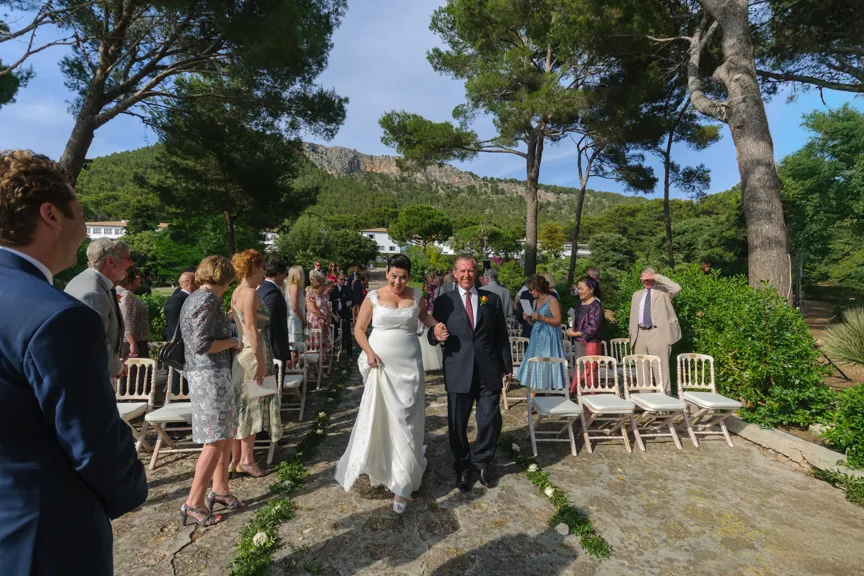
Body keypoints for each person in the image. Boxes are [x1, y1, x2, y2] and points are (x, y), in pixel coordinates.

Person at [0, 150, 147, 575]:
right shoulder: (57, 316)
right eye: (80, 212)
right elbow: (94, 443)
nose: (84, 230)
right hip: (45, 536)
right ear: (52, 214)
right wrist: (130, 491)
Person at [334, 254, 441, 513]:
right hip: (381, 365)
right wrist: (369, 352)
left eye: (403, 277)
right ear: (387, 273)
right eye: (393, 276)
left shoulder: (417, 296)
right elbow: (359, 329)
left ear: (409, 275)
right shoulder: (373, 297)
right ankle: (385, 468)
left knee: (406, 419)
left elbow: (425, 318)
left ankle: (403, 481)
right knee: (382, 418)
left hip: (409, 366)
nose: (398, 281)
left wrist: (436, 327)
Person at [427, 254, 513, 492]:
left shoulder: (491, 299)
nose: (466, 275)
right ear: (454, 273)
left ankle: (483, 461)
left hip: (488, 370)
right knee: (457, 423)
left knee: (489, 421)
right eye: (462, 271)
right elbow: (431, 334)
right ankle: (463, 465)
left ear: (477, 273)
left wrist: (507, 366)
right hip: (458, 370)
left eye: (471, 271)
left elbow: (500, 336)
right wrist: (435, 334)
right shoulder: (444, 301)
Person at [180, 255, 247, 526]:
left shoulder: (195, 298)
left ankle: (220, 490)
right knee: (214, 439)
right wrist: (233, 341)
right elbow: (201, 344)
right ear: (226, 277)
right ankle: (193, 503)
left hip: (207, 375)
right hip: (209, 376)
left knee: (223, 435)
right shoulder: (207, 300)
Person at [230, 249, 281, 477]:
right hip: (254, 354)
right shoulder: (249, 292)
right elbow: (250, 329)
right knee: (253, 407)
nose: (263, 271)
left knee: (244, 406)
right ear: (255, 268)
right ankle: (247, 460)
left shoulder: (236, 292)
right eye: (261, 267)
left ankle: (237, 459)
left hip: (246, 352)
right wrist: (261, 362)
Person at [64, 237, 133, 378]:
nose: (131, 263)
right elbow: (95, 339)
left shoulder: (92, 282)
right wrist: (116, 367)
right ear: (110, 261)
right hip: (90, 375)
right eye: (127, 258)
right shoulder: (92, 291)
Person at [628, 268, 681, 391]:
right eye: (644, 279)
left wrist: (656, 277)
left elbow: (677, 288)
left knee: (661, 370)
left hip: (658, 333)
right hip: (640, 334)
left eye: (649, 278)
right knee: (642, 371)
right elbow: (633, 317)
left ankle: (664, 403)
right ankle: (646, 403)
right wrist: (632, 335)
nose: (647, 281)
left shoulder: (663, 292)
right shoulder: (636, 295)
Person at [516, 274, 567, 392]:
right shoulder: (535, 302)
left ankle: (547, 395)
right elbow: (535, 323)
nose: (530, 292)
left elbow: (558, 321)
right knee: (535, 363)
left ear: (538, 288)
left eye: (531, 289)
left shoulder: (552, 300)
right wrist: (528, 319)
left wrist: (541, 317)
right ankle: (534, 397)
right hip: (537, 336)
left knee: (547, 364)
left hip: (549, 336)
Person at [566, 276, 604, 392]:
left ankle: (590, 397)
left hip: (591, 343)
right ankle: (579, 395)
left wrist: (576, 333)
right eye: (578, 289)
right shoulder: (579, 303)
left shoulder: (596, 305)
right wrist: (571, 329)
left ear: (591, 289)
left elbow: (593, 327)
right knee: (580, 367)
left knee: (589, 370)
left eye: (582, 289)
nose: (579, 291)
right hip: (579, 342)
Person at [258, 257, 290, 366]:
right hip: (274, 349)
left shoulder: (262, 287)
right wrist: (269, 350)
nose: (286, 278)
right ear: (278, 274)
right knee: (276, 382)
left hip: (270, 347)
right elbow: (269, 322)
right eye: (286, 274)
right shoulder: (272, 292)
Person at [116, 265, 149, 359]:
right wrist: (133, 344)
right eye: (138, 277)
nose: (140, 280)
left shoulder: (119, 292)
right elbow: (127, 321)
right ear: (130, 278)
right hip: (133, 343)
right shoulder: (127, 296)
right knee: (137, 372)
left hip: (126, 341)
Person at [418, 272, 444, 371]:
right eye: (428, 277)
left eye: (431, 277)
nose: (430, 278)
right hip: (424, 306)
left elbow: (434, 298)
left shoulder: (434, 287)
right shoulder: (424, 286)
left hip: (430, 307)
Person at [164, 268, 196, 341]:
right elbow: (174, 327)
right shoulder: (175, 301)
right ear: (191, 282)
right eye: (198, 281)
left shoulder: (193, 298)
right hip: (180, 346)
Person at [307, 271, 333, 354]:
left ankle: (321, 364)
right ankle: (313, 365)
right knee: (315, 347)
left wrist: (328, 317)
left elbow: (327, 308)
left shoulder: (323, 295)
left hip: (324, 325)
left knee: (323, 349)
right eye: (324, 284)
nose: (325, 286)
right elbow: (313, 309)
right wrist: (324, 317)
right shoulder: (311, 294)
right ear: (319, 285)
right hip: (315, 324)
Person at [285, 265, 306, 360]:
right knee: (293, 350)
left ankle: (294, 369)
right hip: (294, 321)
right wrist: (304, 319)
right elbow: (295, 307)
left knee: (296, 350)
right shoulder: (294, 287)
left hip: (295, 319)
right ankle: (292, 370)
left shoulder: (293, 286)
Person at [332, 272, 354, 354]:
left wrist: (341, 299)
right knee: (334, 332)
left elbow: (351, 300)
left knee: (347, 332)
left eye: (344, 279)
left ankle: (349, 351)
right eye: (341, 279)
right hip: (335, 313)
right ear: (337, 279)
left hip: (345, 312)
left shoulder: (347, 288)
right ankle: (333, 349)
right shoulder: (333, 288)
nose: (343, 281)